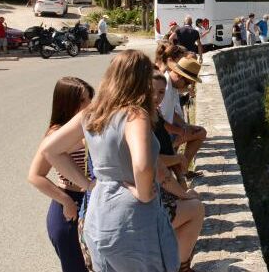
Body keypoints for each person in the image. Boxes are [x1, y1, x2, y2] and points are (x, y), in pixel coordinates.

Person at [40, 50, 180, 272]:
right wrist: (143, 194)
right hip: (133, 220)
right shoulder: (135, 115)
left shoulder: (92, 114)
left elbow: (51, 150)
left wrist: (88, 185)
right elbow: (142, 166)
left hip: (99, 215)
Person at [26, 77, 95, 272]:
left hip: (91, 199)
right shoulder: (56, 134)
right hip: (69, 207)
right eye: (82, 101)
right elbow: (35, 176)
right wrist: (66, 202)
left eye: (89, 99)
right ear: (67, 103)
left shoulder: (87, 125)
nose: (88, 105)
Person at [151, 71, 205, 268]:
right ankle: (181, 265)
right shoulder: (139, 120)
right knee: (196, 206)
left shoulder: (151, 113)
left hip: (157, 186)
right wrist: (182, 191)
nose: (157, 97)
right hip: (151, 198)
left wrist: (183, 130)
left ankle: (180, 263)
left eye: (161, 93)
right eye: (153, 92)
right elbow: (155, 164)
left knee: (192, 199)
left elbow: (165, 129)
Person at [162, 55, 207, 176]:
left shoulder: (172, 86)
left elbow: (172, 112)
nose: (187, 87)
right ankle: (178, 170)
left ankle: (183, 171)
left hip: (170, 132)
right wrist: (180, 131)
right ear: (179, 76)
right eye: (187, 82)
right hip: (162, 137)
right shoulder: (164, 88)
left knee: (200, 132)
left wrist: (185, 126)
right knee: (196, 133)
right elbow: (159, 122)